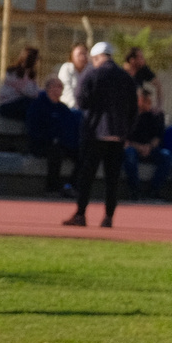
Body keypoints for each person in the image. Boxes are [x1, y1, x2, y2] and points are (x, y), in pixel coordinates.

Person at [68, 41, 138, 227]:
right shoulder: (126, 77)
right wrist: (126, 132)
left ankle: (81, 214)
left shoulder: (92, 73)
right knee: (112, 179)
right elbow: (134, 109)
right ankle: (108, 217)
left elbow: (81, 100)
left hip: (95, 133)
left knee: (87, 176)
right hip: (117, 135)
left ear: (97, 57)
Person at [25, 76, 80, 195]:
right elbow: (33, 128)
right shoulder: (38, 106)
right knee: (55, 152)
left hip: (62, 143)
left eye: (61, 87)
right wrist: (49, 138)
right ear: (49, 88)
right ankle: (52, 188)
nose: (60, 89)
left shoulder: (63, 108)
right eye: (57, 86)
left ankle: (71, 185)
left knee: (84, 154)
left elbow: (69, 128)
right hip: (42, 144)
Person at [126, 83, 165, 190]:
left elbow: (158, 136)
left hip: (149, 148)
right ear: (139, 101)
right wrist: (138, 147)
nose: (150, 104)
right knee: (129, 154)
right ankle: (134, 190)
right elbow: (124, 139)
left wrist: (149, 147)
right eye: (146, 101)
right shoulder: (128, 115)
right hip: (133, 148)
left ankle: (154, 190)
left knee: (167, 157)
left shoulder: (154, 115)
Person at [0, 46, 41, 120]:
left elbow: (35, 91)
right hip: (8, 106)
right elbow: (29, 92)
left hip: (21, 104)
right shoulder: (15, 73)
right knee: (32, 104)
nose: (37, 62)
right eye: (36, 59)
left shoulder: (30, 74)